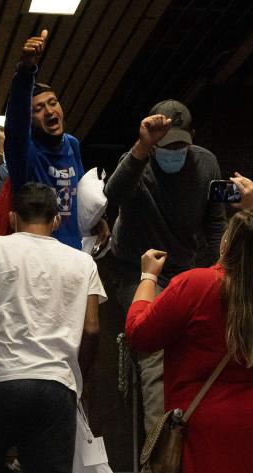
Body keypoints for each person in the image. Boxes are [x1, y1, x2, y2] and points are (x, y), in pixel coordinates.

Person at [124, 174, 253, 473]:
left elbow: (139, 333)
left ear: (225, 245)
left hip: (208, 434)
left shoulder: (196, 284)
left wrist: (147, 277)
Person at [0, 182, 107, 473]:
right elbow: (92, 329)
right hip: (57, 387)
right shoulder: (83, 262)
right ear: (56, 220)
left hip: (2, 380)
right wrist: (78, 380)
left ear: (13, 218)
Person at [104, 107, 226, 434]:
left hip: (184, 269)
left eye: (179, 146)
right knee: (154, 353)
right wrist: (142, 148)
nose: (173, 153)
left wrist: (215, 271)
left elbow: (216, 223)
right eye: (165, 146)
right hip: (136, 269)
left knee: (195, 350)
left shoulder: (207, 163)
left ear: (192, 139)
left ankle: (193, 441)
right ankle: (159, 458)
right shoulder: (136, 164)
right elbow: (111, 195)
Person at [4, 29, 108, 251]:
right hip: (35, 253)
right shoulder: (25, 151)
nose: (50, 111)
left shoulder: (72, 144)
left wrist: (97, 220)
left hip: (74, 253)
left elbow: (80, 195)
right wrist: (25, 71)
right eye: (39, 109)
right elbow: (16, 124)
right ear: (29, 120)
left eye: (53, 103)